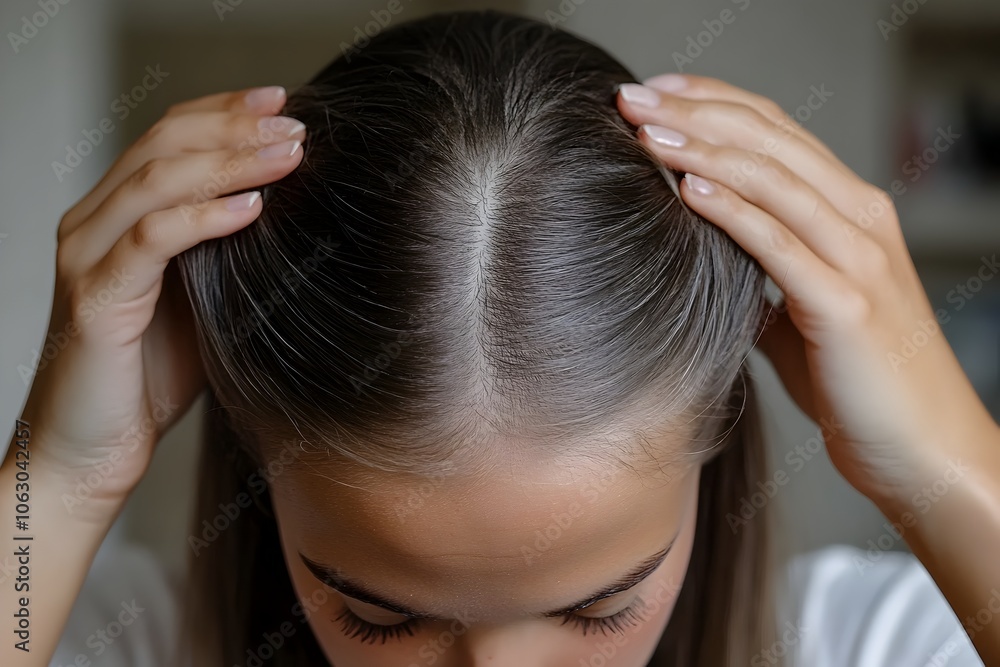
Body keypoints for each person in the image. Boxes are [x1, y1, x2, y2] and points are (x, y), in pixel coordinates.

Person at [3, 9, 997, 667]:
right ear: (260, 467)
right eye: (381, 614)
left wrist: (944, 464)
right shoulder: (108, 638)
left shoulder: (874, 643)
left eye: (599, 608)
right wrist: (56, 481)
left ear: (718, 432)